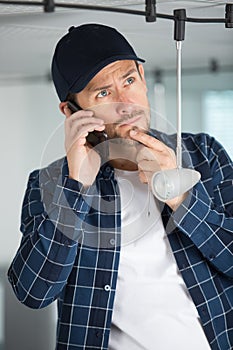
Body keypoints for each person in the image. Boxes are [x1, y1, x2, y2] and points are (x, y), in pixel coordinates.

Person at [8, 23, 233, 350]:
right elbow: (33, 293)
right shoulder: (50, 183)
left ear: (142, 77)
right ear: (72, 112)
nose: (125, 102)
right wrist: (76, 187)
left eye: (128, 80)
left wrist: (180, 198)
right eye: (103, 93)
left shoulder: (203, 155)